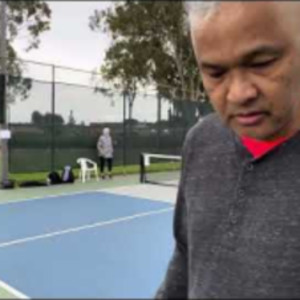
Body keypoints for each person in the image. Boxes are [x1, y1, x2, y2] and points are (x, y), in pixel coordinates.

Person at [156, 1, 300, 298]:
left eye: (261, 63)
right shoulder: (200, 141)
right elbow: (187, 254)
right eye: (216, 73)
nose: (239, 93)